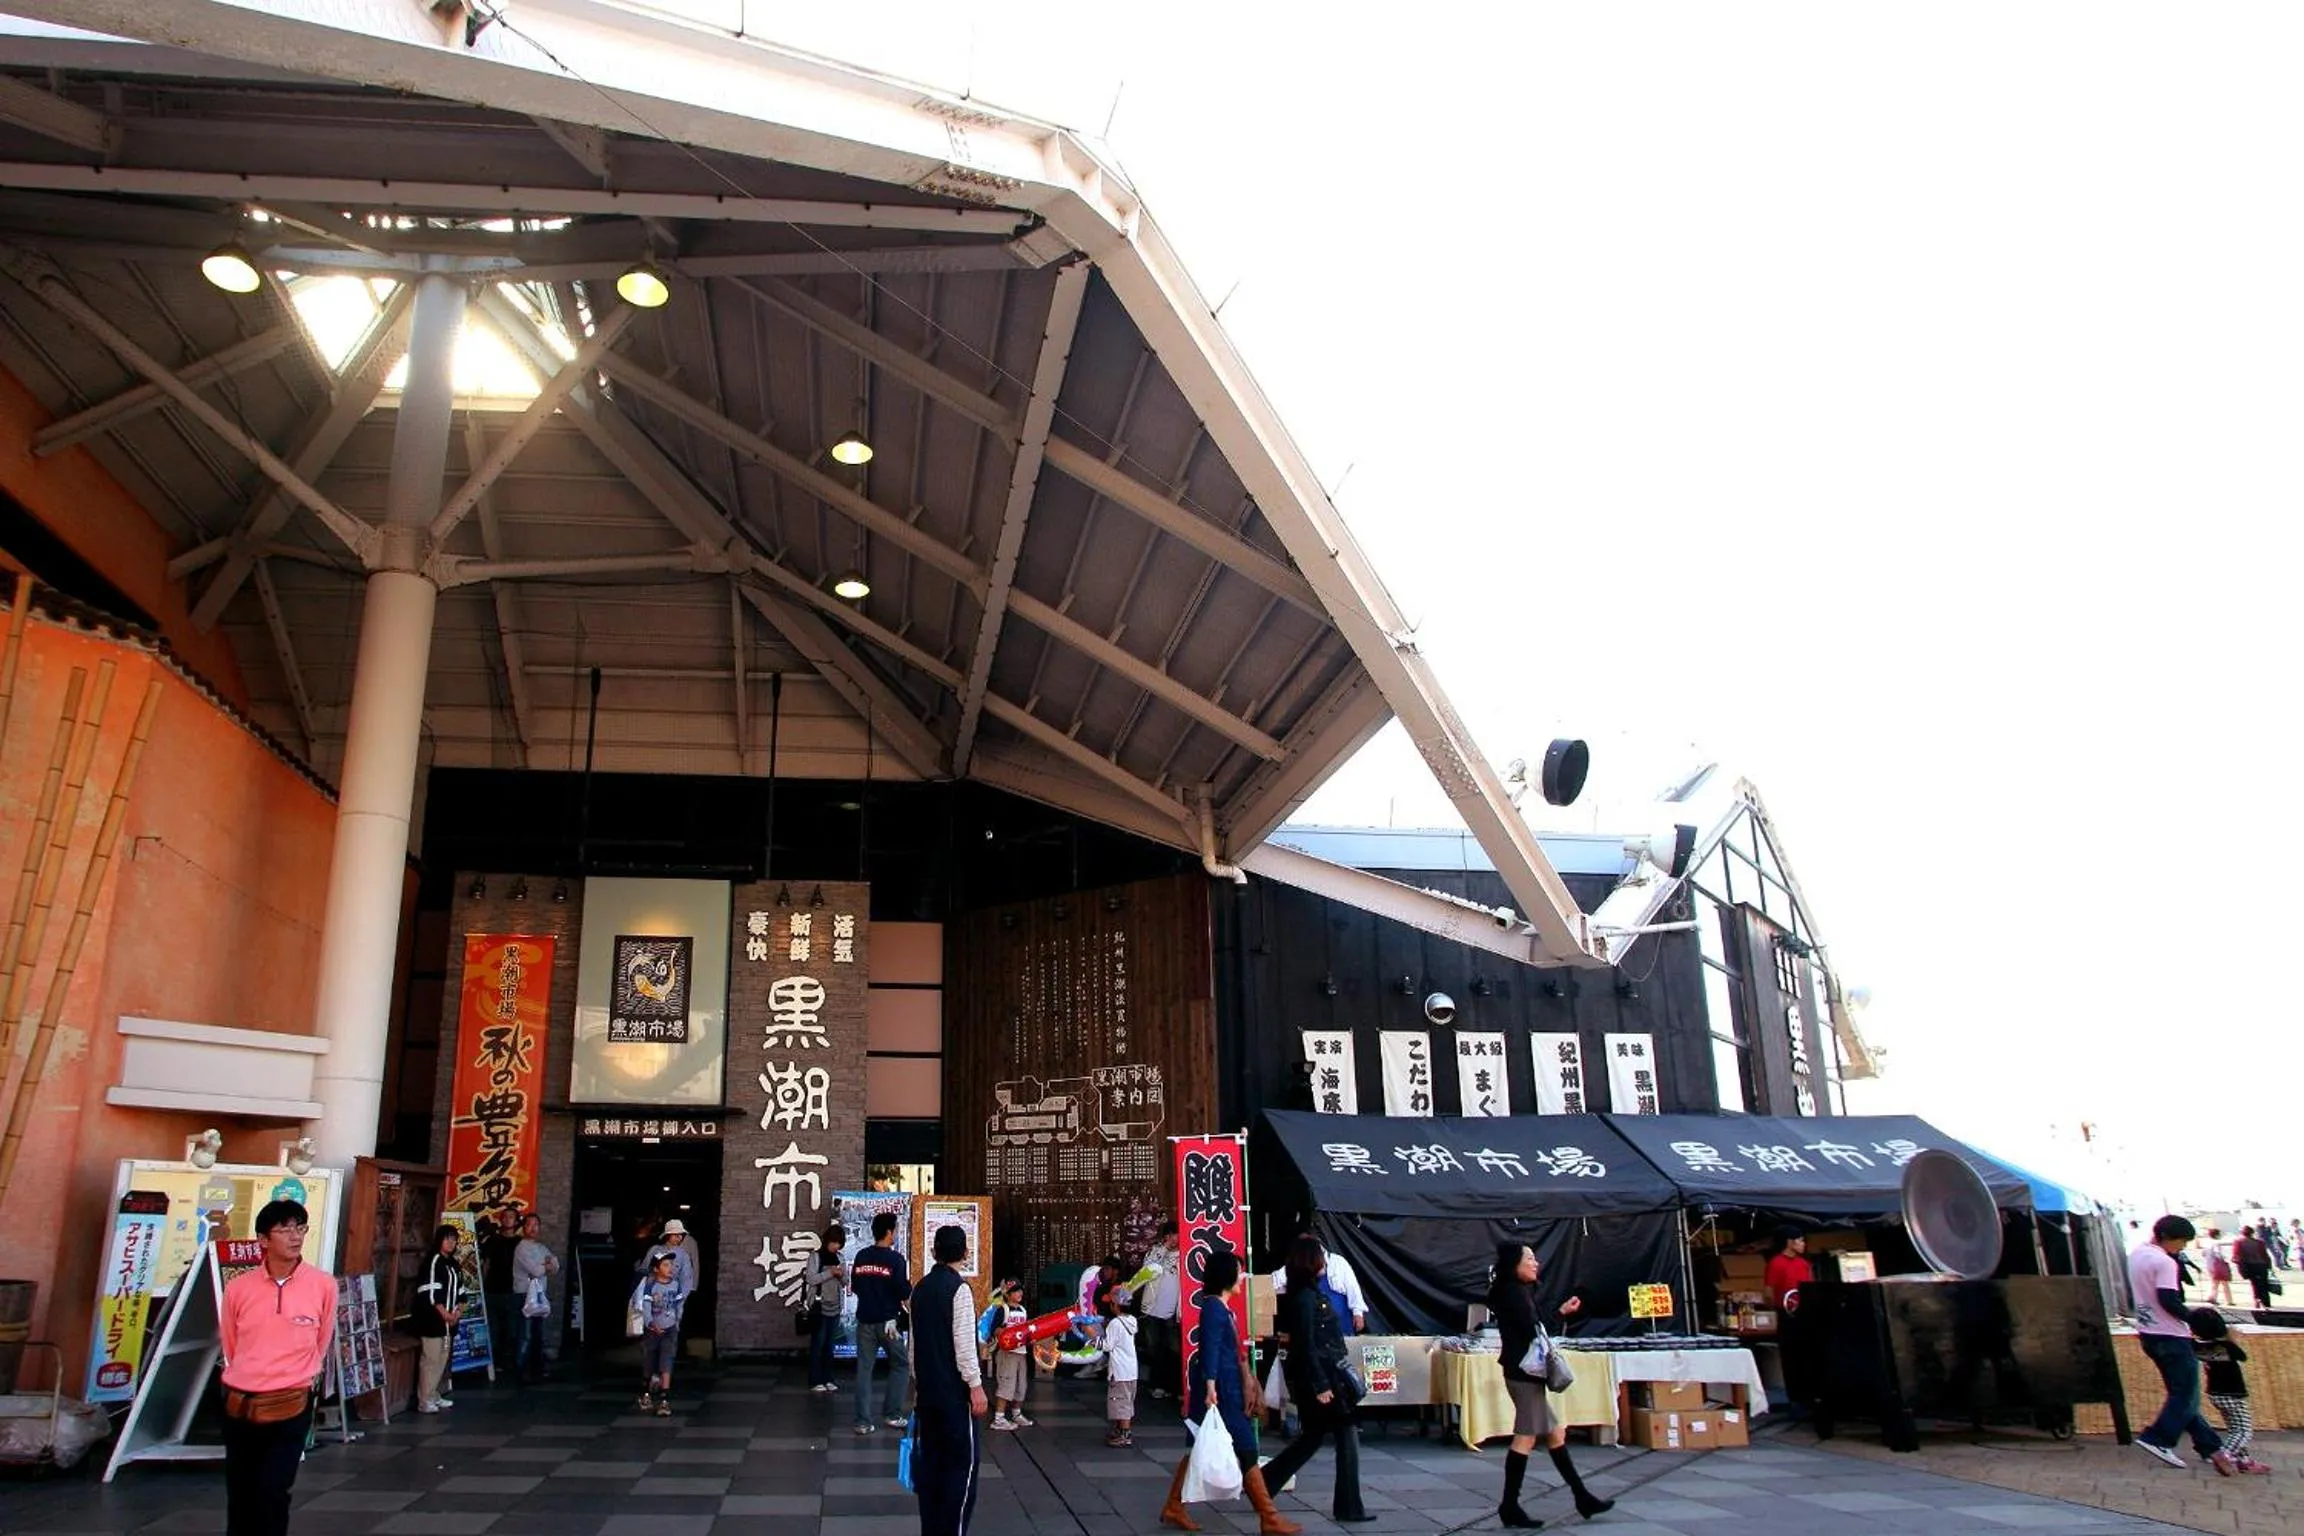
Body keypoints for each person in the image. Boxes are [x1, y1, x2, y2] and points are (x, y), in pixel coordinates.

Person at [218, 1198, 336, 1536]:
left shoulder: (322, 1285)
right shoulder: (239, 1288)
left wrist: (300, 1374)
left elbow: (322, 1338)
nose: (295, 1236)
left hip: (292, 1399)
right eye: (284, 1229)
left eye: (299, 1228)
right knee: (240, 1489)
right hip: (240, 1399)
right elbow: (231, 1343)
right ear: (263, 1240)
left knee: (274, 1489)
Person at [1159, 1249, 1296, 1536]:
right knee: (1247, 1448)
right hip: (1221, 1393)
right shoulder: (1213, 1308)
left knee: (1202, 1446)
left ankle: (1174, 1505)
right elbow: (1208, 1349)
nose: (1242, 1277)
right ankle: (1269, 1517)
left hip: (1226, 1389)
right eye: (1238, 1271)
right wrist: (1210, 1387)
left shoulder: (1221, 1308)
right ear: (1225, 1275)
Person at [1489, 1241, 1611, 1526]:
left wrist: (1560, 1312)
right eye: (1529, 1258)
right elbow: (1532, 1329)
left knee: (1556, 1433)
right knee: (1526, 1437)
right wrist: (1559, 1314)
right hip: (1524, 1375)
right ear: (1514, 1265)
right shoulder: (1513, 1293)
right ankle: (1509, 1506)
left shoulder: (1517, 1291)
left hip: (1524, 1373)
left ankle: (1582, 1497)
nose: (1536, 1263)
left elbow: (1535, 1324)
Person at [1257, 1236, 1374, 1523]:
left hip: (1323, 1376)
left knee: (1312, 1438)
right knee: (1341, 1435)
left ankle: (1264, 1483)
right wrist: (1321, 1385)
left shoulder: (1305, 1294)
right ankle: (1348, 1506)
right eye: (1319, 1255)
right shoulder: (1306, 1298)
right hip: (1323, 1379)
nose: (1324, 1259)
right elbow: (1307, 1344)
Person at [2129, 1215, 2230, 1470]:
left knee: (2182, 1397)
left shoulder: (2138, 1254)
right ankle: (2159, 1438)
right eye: (2181, 1241)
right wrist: (2195, 1318)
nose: (2182, 1247)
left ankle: (2211, 1448)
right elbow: (2168, 1299)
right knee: (2186, 1395)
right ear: (2169, 1238)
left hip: (2148, 1332)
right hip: (2171, 1334)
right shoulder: (2164, 1262)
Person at [909, 1223, 989, 1536]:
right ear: (965, 1254)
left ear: (934, 1252)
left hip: (927, 1396)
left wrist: (918, 1384)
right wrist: (976, 1386)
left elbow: (913, 1345)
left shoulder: (920, 1288)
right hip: (955, 1398)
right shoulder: (959, 1290)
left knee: (931, 1471)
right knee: (961, 1473)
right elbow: (965, 1345)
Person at [852, 1211, 913, 1434]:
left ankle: (862, 1421)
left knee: (864, 1370)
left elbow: (856, 1286)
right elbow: (903, 1291)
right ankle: (892, 1414)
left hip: (864, 1320)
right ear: (889, 1232)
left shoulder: (861, 1256)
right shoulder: (896, 1260)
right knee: (901, 1365)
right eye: (895, 1229)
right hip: (889, 1323)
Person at [2190, 1309, 2272, 1474]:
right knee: (2243, 1431)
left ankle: (2244, 1461)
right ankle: (2223, 1456)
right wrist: (2231, 1338)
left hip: (2215, 1393)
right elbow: (2242, 1356)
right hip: (2233, 1394)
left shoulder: (2196, 1346)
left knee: (2234, 1428)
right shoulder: (2227, 1346)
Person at [413, 1224, 462, 1413]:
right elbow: (432, 1292)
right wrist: (445, 1314)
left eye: (454, 1239)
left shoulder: (453, 1263)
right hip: (432, 1320)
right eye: (447, 1238)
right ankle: (424, 1399)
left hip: (449, 1323)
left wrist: (457, 1312)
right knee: (430, 1359)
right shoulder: (434, 1261)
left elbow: (460, 1291)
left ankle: (433, 1394)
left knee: (442, 1358)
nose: (451, 1243)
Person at [511, 1213, 559, 1385]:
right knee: (525, 1334)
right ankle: (521, 1369)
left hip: (539, 1295)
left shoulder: (541, 1247)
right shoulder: (521, 1248)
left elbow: (555, 1265)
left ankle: (536, 1368)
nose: (533, 1228)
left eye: (536, 1225)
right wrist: (546, 1265)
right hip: (525, 1294)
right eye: (529, 1225)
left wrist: (546, 1265)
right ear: (524, 1227)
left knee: (537, 1333)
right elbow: (536, 1270)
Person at [634, 1251, 684, 1416]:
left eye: (671, 1265)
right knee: (649, 1361)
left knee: (666, 1362)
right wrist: (650, 1323)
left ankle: (664, 1399)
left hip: (669, 1330)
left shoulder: (676, 1285)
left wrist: (677, 1321)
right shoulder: (651, 1286)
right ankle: (645, 1393)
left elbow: (679, 1305)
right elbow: (646, 1307)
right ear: (656, 1269)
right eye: (665, 1265)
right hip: (653, 1330)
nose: (670, 1268)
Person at [984, 1278, 1035, 1430]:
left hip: (1021, 1352)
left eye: (1020, 1290)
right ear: (1007, 1294)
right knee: (1007, 1384)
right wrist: (1009, 1334)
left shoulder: (1023, 1310)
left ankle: (1016, 1413)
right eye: (1015, 1291)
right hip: (1007, 1353)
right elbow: (995, 1329)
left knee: (1021, 1385)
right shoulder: (1003, 1310)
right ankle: (999, 1418)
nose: (1019, 1293)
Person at [1141, 1222, 1182, 1401]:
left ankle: (1174, 1387)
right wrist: (1164, 1248)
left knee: (1173, 1350)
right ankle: (1157, 1385)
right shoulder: (1155, 1251)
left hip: (1173, 1311)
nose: (1176, 1238)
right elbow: (1147, 1269)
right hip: (1153, 1309)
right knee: (1154, 1349)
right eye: (1173, 1234)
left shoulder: (1184, 1254)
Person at [478, 1211, 520, 1383]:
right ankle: (493, 1362)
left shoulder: (520, 1243)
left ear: (517, 1221)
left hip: (512, 1289)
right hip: (493, 1288)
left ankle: (509, 1361)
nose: (506, 1219)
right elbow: (486, 1263)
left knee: (511, 1328)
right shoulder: (492, 1240)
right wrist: (482, 1285)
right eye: (505, 1216)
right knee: (493, 1328)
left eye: (511, 1217)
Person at [805, 1222, 848, 1392]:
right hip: (819, 1304)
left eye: (839, 1243)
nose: (836, 1246)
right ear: (827, 1241)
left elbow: (845, 1282)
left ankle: (828, 1378)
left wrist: (841, 1275)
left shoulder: (841, 1258)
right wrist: (830, 1273)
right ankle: (816, 1380)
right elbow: (811, 1279)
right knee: (819, 1343)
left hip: (835, 1305)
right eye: (834, 1242)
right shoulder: (816, 1256)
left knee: (830, 1344)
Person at [1101, 1285, 1141, 1447]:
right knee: (1127, 1401)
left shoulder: (1115, 1324)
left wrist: (1090, 1334)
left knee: (1120, 1402)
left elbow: (1107, 1346)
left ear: (1115, 1305)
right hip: (1131, 1371)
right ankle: (1119, 1430)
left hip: (1120, 1371)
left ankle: (1125, 1434)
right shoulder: (1132, 1321)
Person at [2234, 1225, 2274, 1309]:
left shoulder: (2238, 1242)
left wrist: (2240, 1267)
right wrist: (2269, 1267)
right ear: (2252, 1233)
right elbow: (2265, 1255)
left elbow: (2236, 1257)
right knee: (2263, 1285)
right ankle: (2266, 1303)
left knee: (2255, 1284)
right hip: (2262, 1265)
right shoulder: (2260, 1242)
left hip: (2249, 1266)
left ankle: (2257, 1302)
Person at [2205, 1228, 2235, 1306]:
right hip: (2217, 1265)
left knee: (2214, 1283)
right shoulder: (2216, 1243)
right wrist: (2224, 1260)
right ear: (2217, 1235)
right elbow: (2218, 1254)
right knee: (2225, 1283)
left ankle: (2212, 1297)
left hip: (2209, 1265)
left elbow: (2203, 1254)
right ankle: (2229, 1300)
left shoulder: (2207, 1243)